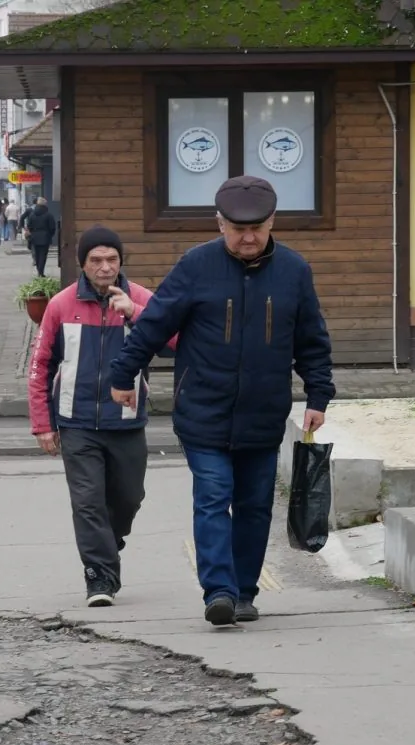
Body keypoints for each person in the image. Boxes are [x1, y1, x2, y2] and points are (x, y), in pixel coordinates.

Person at [108, 175, 335, 627]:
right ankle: (219, 592)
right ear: (219, 223)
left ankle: (244, 592)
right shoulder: (196, 266)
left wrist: (318, 393)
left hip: (263, 413)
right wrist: (123, 372)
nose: (248, 238)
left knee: (254, 505)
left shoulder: (294, 271)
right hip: (203, 410)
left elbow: (311, 339)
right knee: (213, 496)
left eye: (257, 228)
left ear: (272, 222)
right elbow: (154, 324)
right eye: (237, 229)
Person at [28, 225, 176, 607]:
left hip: (126, 420)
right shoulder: (61, 305)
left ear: (121, 262)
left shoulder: (141, 298)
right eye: (96, 260)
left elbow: (177, 341)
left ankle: (108, 544)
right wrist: (43, 423)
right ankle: (100, 578)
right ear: (83, 264)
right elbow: (40, 365)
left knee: (129, 499)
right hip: (76, 422)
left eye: (112, 259)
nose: (105, 267)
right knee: (88, 502)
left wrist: (136, 314)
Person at [25, 197, 57, 276]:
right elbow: (52, 227)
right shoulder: (48, 215)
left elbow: (29, 225)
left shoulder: (32, 214)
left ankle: (39, 270)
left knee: (37, 254)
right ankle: (41, 271)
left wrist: (32, 233)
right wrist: (50, 235)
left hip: (34, 237)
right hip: (45, 237)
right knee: (43, 255)